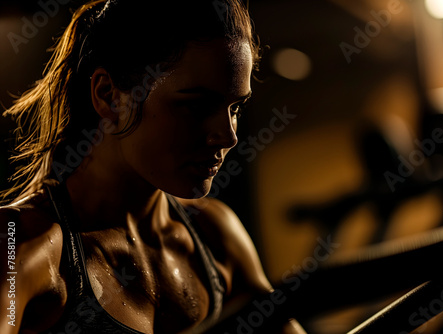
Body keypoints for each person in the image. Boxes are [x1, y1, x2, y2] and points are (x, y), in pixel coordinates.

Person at [0, 0, 306, 333]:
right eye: (197, 106)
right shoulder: (20, 242)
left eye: (234, 108)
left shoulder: (216, 235)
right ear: (109, 96)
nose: (228, 136)